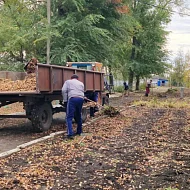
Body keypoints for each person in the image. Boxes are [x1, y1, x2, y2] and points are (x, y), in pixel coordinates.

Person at [62, 74, 84, 139]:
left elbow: (63, 90)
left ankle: (70, 134)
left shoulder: (68, 82)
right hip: (81, 99)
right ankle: (79, 131)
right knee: (78, 115)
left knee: (69, 117)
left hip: (72, 98)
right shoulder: (81, 83)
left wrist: (65, 100)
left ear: (71, 78)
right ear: (77, 78)